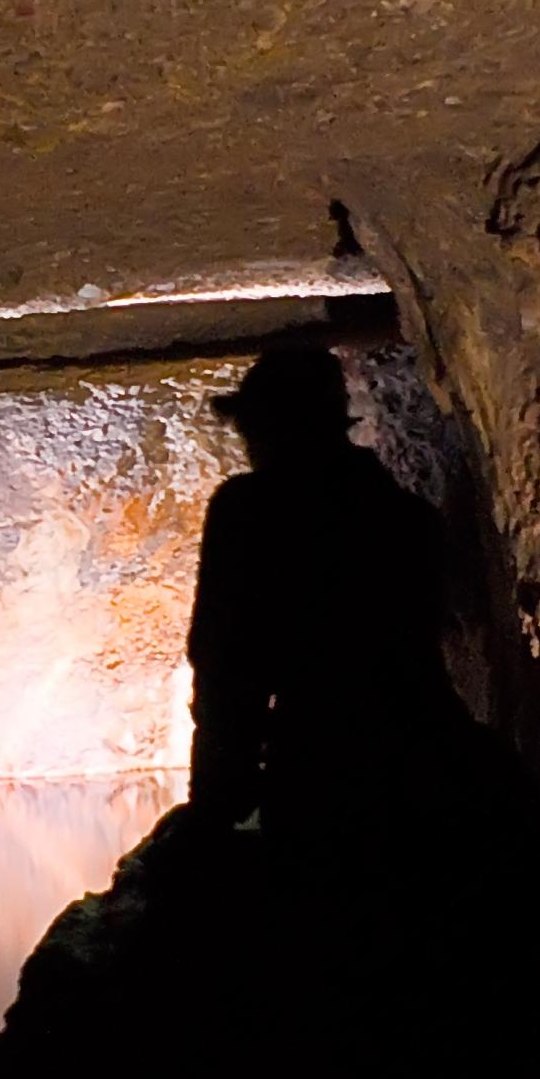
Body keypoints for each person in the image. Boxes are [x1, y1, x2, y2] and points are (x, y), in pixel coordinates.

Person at [182, 347, 455, 847]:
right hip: (425, 762)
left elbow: (225, 668)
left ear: (273, 427)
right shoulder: (409, 520)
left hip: (319, 768)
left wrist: (215, 807)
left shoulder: (248, 512)